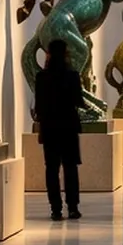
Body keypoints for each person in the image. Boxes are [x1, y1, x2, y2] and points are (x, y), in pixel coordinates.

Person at [34, 39, 84, 221]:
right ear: (65, 54)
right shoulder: (72, 75)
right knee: (70, 167)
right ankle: (73, 207)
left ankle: (55, 208)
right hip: (68, 126)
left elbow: (39, 106)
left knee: (52, 169)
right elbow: (78, 100)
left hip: (50, 127)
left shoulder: (41, 77)